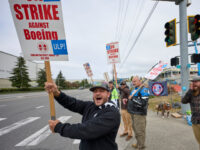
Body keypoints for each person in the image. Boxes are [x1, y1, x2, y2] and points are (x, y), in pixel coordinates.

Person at [45, 82, 120, 150]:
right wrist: (56, 93)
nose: (97, 93)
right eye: (95, 91)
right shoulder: (90, 106)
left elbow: (86, 130)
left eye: (101, 91)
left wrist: (59, 127)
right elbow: (73, 103)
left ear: (108, 94)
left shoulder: (112, 113)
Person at [125, 76, 149, 150]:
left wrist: (132, 98)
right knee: (135, 130)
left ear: (139, 81)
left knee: (140, 131)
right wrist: (127, 100)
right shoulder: (135, 89)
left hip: (139, 114)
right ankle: (139, 143)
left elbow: (143, 103)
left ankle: (141, 147)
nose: (133, 82)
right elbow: (133, 99)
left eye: (135, 81)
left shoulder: (144, 90)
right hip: (133, 113)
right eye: (132, 81)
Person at [182, 76, 200, 149]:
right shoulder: (191, 93)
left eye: (196, 82)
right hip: (195, 121)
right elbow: (184, 101)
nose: (194, 83)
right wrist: (190, 90)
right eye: (193, 82)